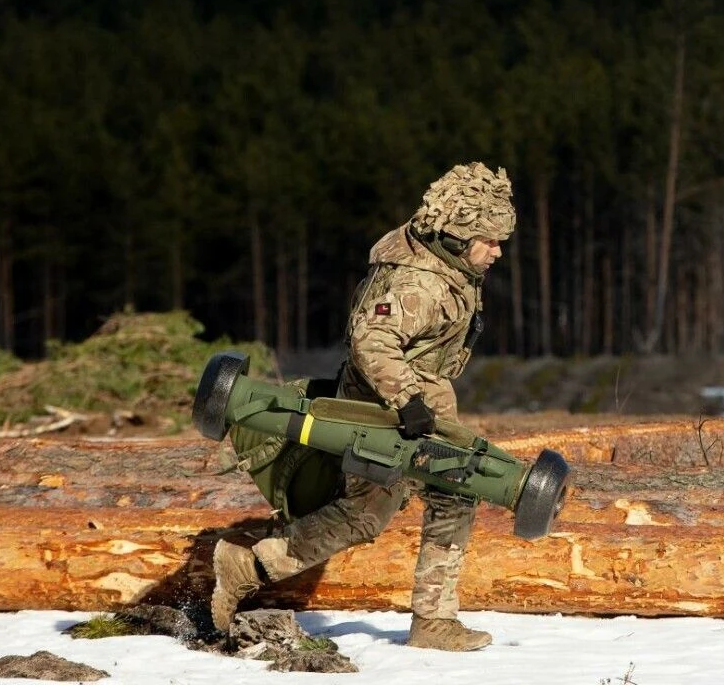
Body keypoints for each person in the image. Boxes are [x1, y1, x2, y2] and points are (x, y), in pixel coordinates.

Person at [210, 162, 516, 651]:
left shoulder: (446, 259)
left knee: (455, 491)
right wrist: (407, 400)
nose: (499, 251)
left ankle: (434, 621)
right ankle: (248, 566)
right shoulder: (423, 285)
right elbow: (370, 339)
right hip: (384, 409)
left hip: (422, 400)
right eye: (490, 239)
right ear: (458, 235)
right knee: (364, 516)